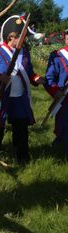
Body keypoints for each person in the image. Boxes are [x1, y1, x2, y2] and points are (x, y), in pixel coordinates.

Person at [0, 15, 45, 164]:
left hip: (19, 95)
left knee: (21, 125)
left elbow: (29, 72)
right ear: (12, 36)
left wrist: (37, 79)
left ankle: (22, 157)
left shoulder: (25, 52)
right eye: (22, 36)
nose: (25, 40)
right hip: (1, 94)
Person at [44, 28, 68, 158]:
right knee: (63, 128)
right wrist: (55, 91)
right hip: (64, 99)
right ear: (64, 38)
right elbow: (49, 79)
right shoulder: (57, 55)